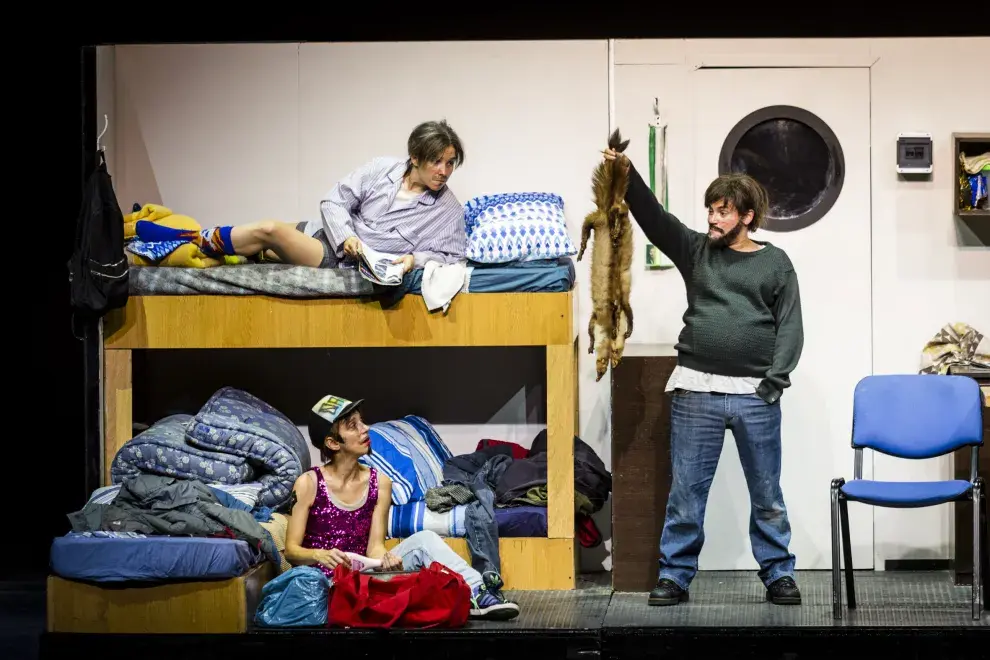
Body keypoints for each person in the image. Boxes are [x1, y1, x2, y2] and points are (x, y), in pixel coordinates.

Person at [602, 145, 804, 607]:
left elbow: (790, 326)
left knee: (767, 492)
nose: (712, 219)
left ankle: (778, 574)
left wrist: (773, 383)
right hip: (696, 388)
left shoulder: (776, 264)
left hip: (756, 394)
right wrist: (626, 174)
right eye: (710, 210)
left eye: (723, 212)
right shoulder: (696, 251)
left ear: (748, 217)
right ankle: (675, 575)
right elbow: (655, 219)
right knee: (687, 494)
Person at [283, 394, 520, 621]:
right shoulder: (308, 484)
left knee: (425, 539)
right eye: (353, 426)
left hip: (362, 579)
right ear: (333, 443)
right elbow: (292, 551)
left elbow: (374, 547)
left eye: (362, 421)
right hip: (322, 583)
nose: (365, 429)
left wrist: (385, 559)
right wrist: (319, 555)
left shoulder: (380, 483)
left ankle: (478, 593)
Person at [133, 120, 468, 273]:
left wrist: (414, 260)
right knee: (255, 237)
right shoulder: (381, 169)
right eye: (436, 161)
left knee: (269, 230)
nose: (444, 170)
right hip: (328, 235)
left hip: (340, 259)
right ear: (415, 157)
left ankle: (184, 237)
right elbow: (333, 201)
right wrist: (348, 236)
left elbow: (453, 257)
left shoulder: (447, 209)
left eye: (450, 163)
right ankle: (192, 239)